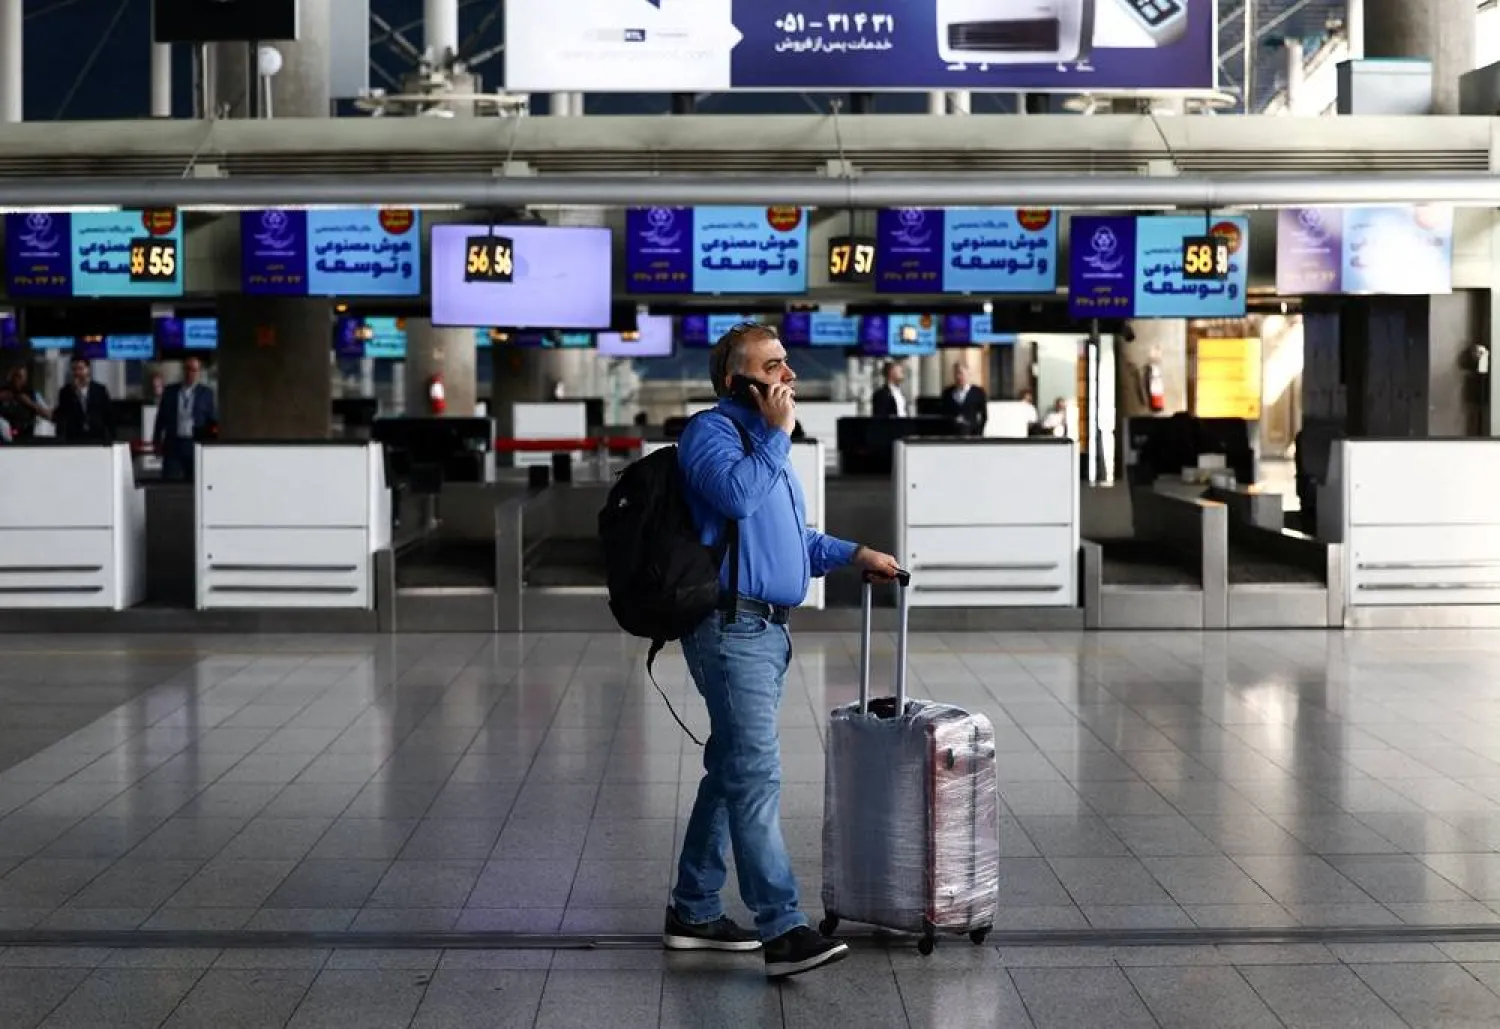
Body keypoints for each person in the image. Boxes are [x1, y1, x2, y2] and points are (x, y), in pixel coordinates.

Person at [664, 321, 902, 979]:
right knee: (757, 774)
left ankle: (692, 907)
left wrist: (853, 553)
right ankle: (782, 926)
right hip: (730, 629)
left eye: (786, 363)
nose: (787, 375)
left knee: (731, 769)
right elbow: (736, 497)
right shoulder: (711, 434)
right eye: (773, 365)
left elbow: (792, 536)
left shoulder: (767, 446)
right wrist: (776, 434)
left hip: (767, 630)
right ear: (737, 380)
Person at [153, 357, 216, 481]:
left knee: (195, 480)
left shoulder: (206, 393)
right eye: (187, 369)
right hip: (174, 443)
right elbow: (161, 419)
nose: (190, 373)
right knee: (170, 480)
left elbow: (211, 419)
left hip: (194, 442)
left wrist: (211, 443)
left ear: (199, 373)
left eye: (194, 370)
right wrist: (156, 441)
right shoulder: (170, 391)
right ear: (183, 371)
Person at [53, 356, 114, 443]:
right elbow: (62, 415)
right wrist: (74, 393)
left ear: (88, 369)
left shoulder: (99, 389)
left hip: (97, 437)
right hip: (75, 438)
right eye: (74, 369)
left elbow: (108, 415)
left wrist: (111, 437)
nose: (78, 373)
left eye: (81, 369)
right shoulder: (65, 392)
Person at [0, 365, 50, 441]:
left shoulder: (33, 395)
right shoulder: (3, 394)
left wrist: (29, 403)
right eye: (16, 376)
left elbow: (49, 415)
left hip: (26, 439)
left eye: (21, 377)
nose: (18, 380)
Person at [941, 362, 988, 436]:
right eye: (956, 374)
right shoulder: (947, 393)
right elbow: (944, 413)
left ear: (968, 374)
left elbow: (983, 416)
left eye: (961, 373)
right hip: (952, 435)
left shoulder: (978, 392)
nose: (959, 377)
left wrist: (978, 432)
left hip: (971, 435)